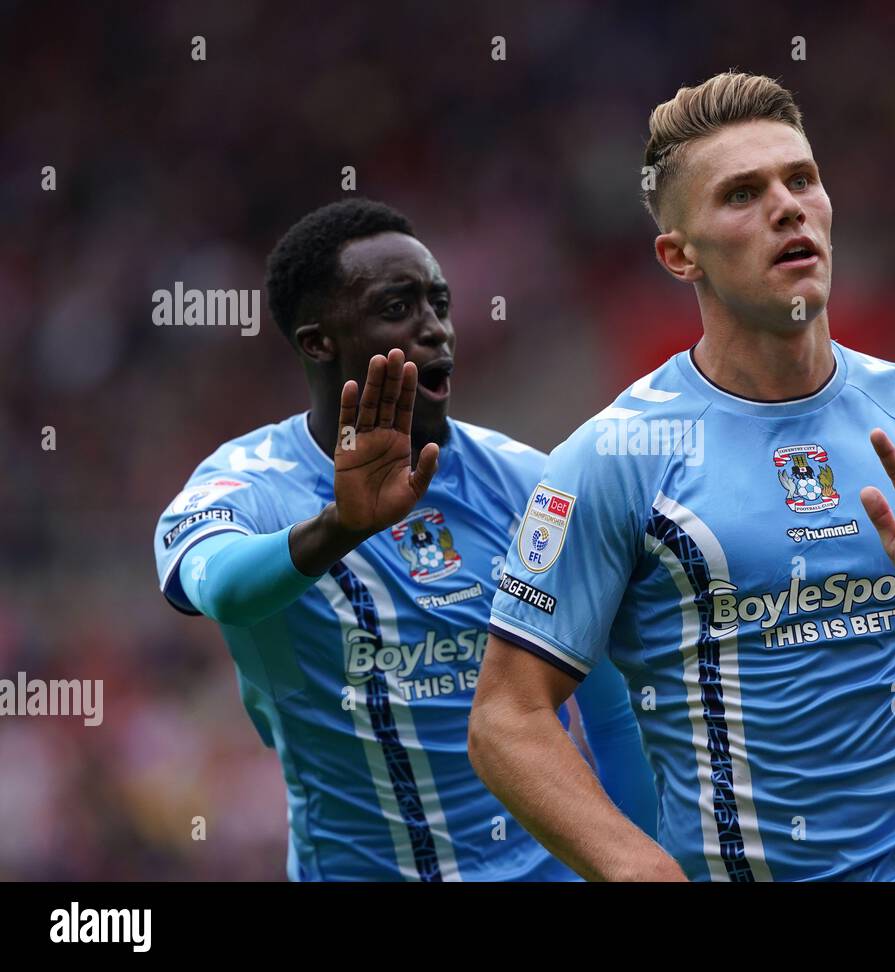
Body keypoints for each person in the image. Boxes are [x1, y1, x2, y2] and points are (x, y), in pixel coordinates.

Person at [469, 72, 895, 882]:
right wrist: (635, 868)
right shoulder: (617, 456)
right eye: (742, 194)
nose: (787, 207)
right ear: (680, 255)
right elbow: (507, 717)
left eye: (802, 180)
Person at [152, 199, 656, 881]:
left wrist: (634, 865)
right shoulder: (251, 484)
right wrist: (339, 528)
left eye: (439, 303)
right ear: (317, 341)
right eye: (398, 308)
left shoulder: (528, 481)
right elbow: (220, 589)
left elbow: (610, 706)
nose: (436, 328)